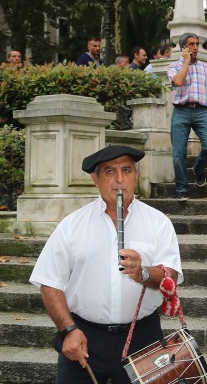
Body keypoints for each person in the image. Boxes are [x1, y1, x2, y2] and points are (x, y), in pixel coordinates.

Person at [29, 145, 183, 384]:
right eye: (110, 171)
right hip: (85, 337)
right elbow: (49, 283)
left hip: (143, 338)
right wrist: (68, 330)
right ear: (95, 179)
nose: (119, 180)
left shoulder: (158, 223)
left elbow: (169, 277)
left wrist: (142, 272)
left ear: (137, 174)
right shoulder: (72, 225)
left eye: (126, 170)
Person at [167, 32, 207, 201]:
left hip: (201, 111)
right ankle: (182, 189)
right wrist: (185, 62)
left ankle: (198, 169)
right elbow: (177, 82)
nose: (194, 48)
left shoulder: (205, 68)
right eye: (190, 44)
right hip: (181, 111)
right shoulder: (174, 67)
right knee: (178, 153)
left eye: (196, 44)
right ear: (183, 47)